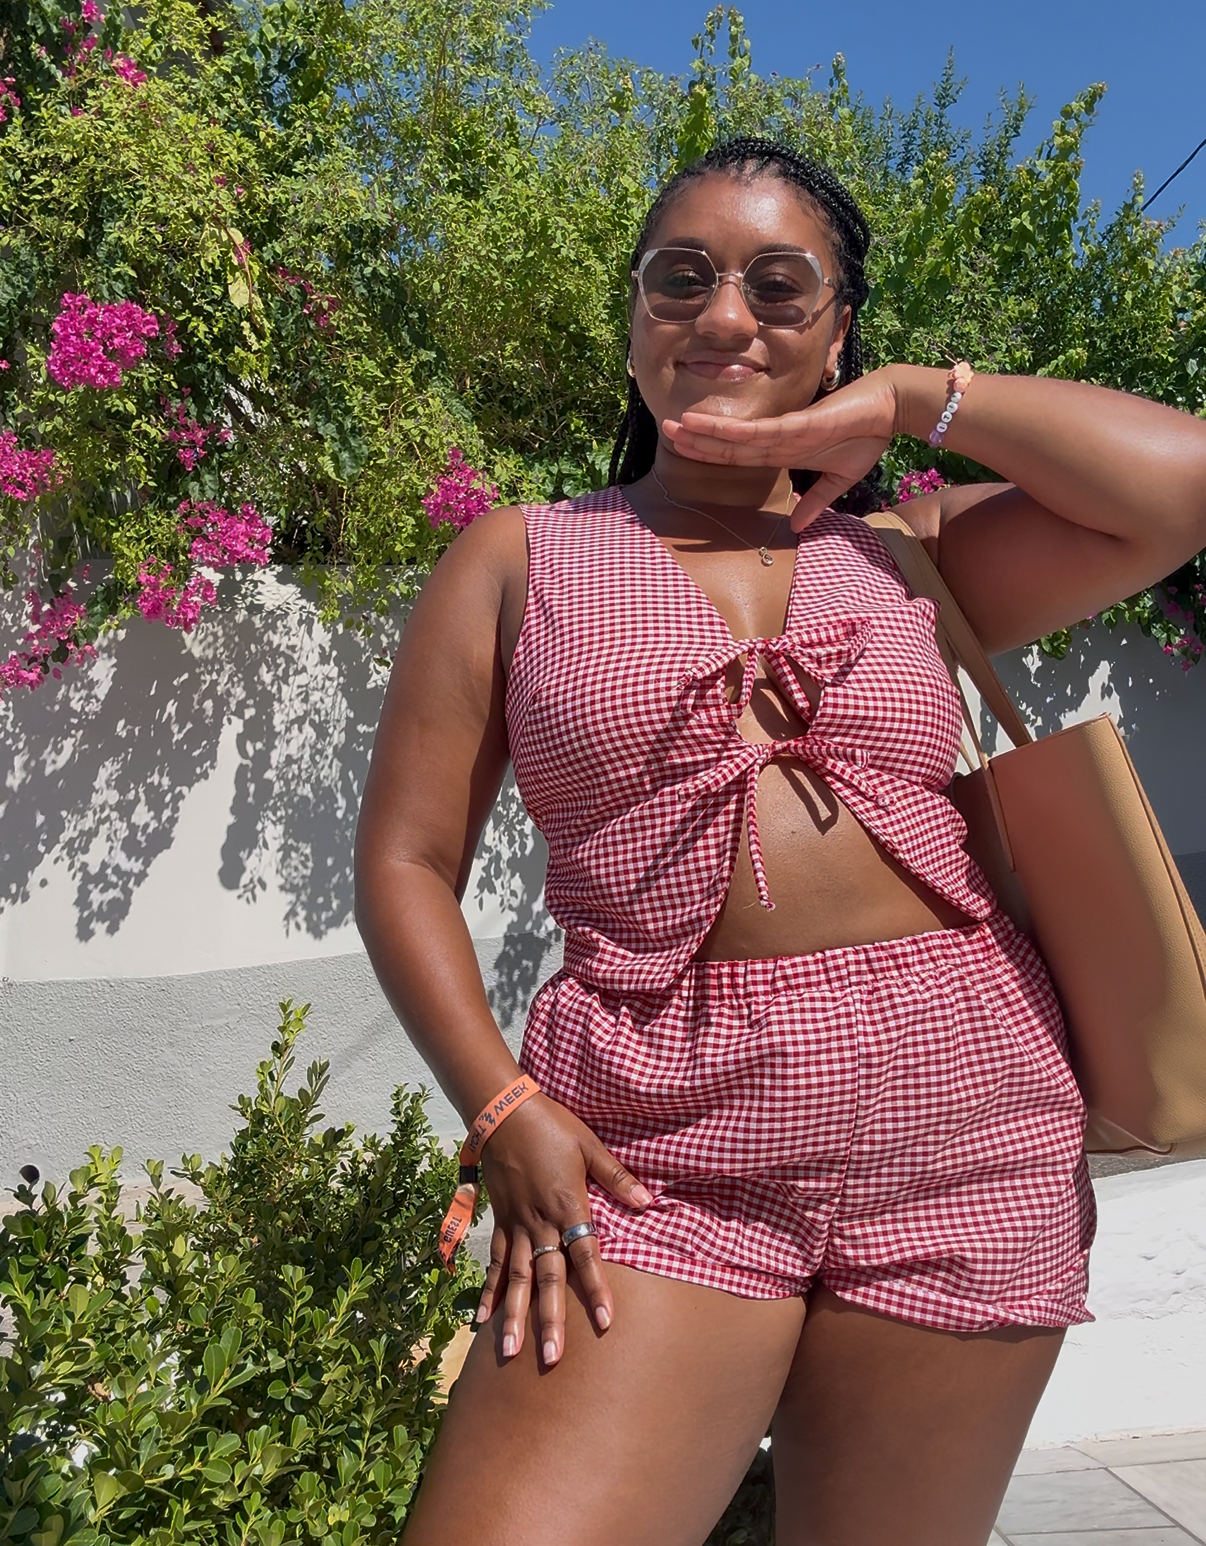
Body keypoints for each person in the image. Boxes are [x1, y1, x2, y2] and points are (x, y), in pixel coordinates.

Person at [354, 138, 1206, 1545]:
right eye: (676, 277)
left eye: (776, 282)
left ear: (835, 333)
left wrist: (915, 403)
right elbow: (403, 862)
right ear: (632, 319)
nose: (721, 312)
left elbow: (1177, 486)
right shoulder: (517, 559)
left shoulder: (906, 550)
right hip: (653, 1139)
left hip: (967, 1113)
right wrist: (498, 1105)